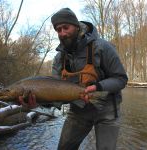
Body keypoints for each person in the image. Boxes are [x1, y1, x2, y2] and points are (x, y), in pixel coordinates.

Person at [51, 8, 128, 150]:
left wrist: (98, 87)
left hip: (108, 110)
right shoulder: (59, 58)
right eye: (58, 30)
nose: (62, 33)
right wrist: (39, 103)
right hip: (78, 111)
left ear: (76, 25)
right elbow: (54, 92)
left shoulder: (102, 47)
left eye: (66, 27)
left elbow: (121, 79)